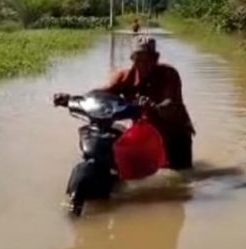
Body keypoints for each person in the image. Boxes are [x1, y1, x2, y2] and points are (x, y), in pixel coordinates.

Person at [55, 36, 195, 170]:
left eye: (148, 59)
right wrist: (71, 99)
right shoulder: (124, 77)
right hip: (144, 134)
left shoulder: (169, 74)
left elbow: (170, 104)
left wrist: (154, 106)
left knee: (181, 176)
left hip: (175, 133)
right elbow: (101, 95)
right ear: (132, 60)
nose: (143, 64)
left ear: (156, 59)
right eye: (139, 60)